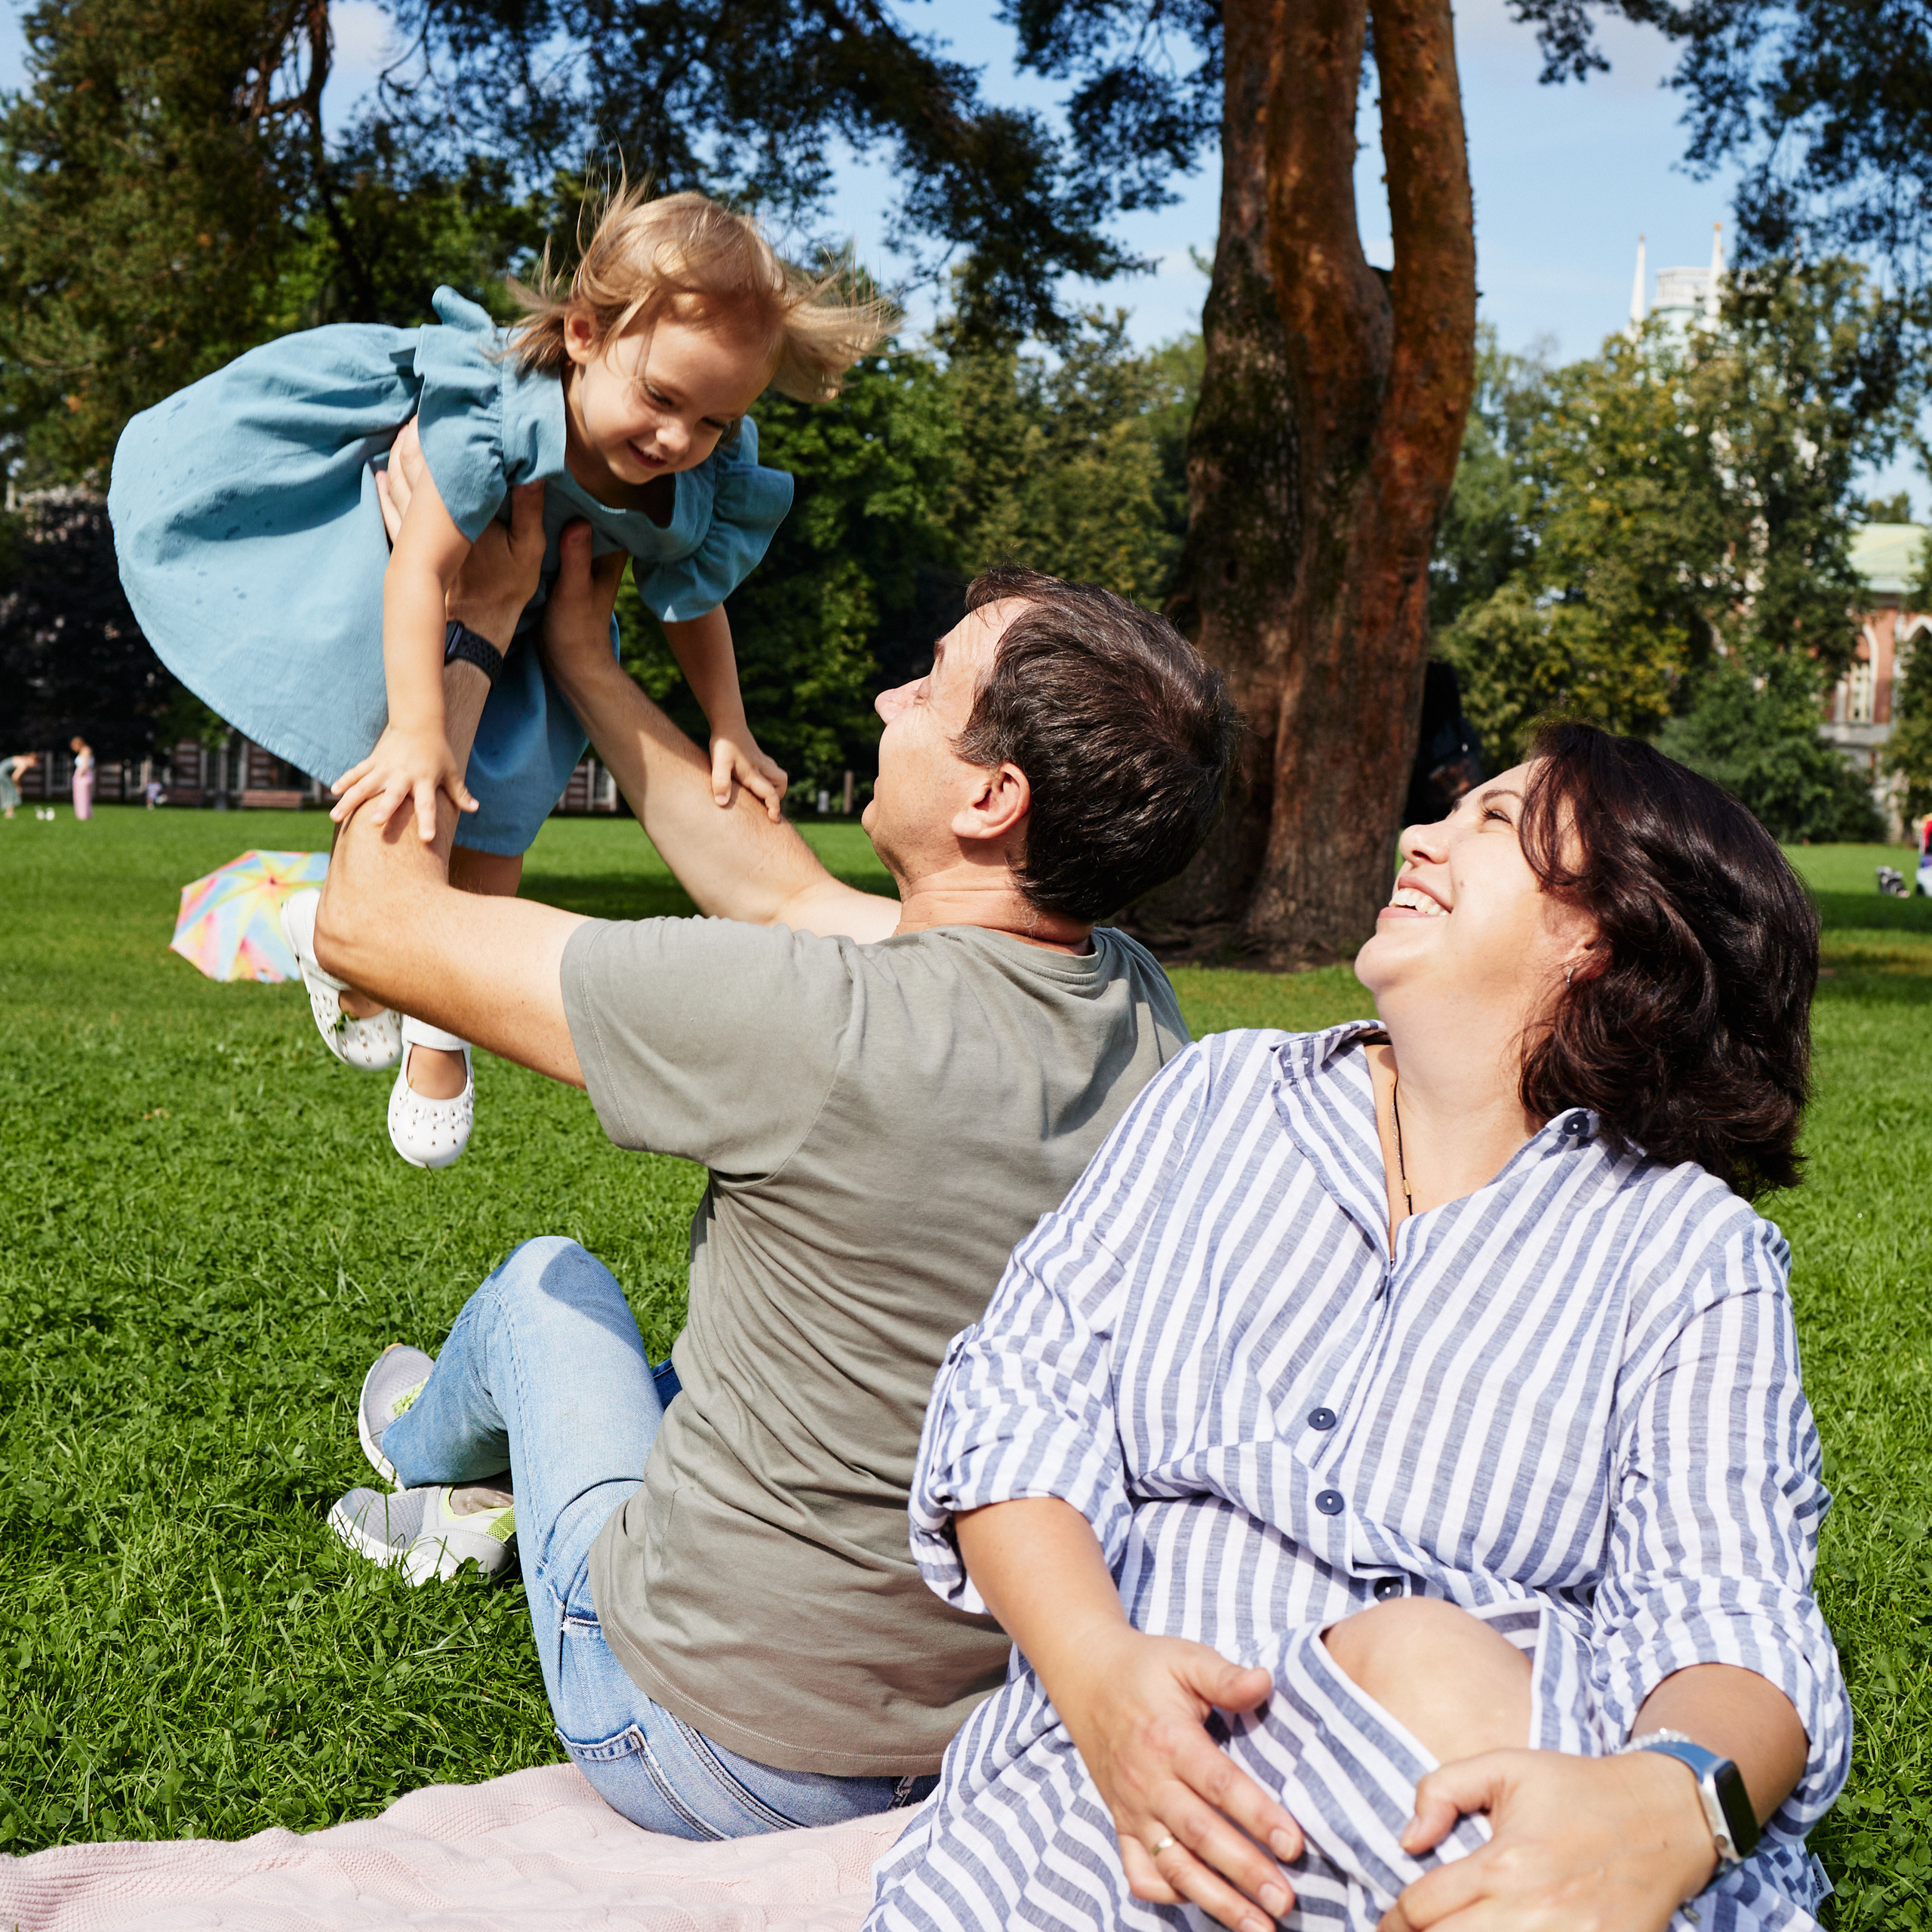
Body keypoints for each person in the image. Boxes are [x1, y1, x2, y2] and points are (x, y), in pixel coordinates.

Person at [305, 460, 1239, 1842]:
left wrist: (470, 627)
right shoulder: (1128, 1003)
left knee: (545, 1289)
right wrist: (589, 661)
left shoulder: (816, 1027)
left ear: (991, 799)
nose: (887, 703)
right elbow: (778, 888)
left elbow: (370, 928)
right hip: (963, 1734)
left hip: (696, 1734)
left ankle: (421, 1465)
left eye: (929, 685)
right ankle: (462, 1470)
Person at [869, 724, 1847, 1932]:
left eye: (1494, 821)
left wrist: (1674, 1805)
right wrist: (1097, 1675)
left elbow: (1728, 1610)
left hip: (1482, 1794)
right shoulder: (1223, 1101)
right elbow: (1018, 1400)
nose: (1418, 836)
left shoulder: (1686, 1254)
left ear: (1607, 934)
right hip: (1135, 1787)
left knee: (1435, 1665)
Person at [109, 183, 888, 1168]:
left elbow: (694, 603)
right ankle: (379, 965)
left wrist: (729, 722)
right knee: (421, 777)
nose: (679, 442)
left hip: (530, 636)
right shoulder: (498, 418)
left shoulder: (696, 482)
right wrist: (416, 726)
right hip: (405, 574)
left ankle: (434, 1031)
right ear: (584, 334)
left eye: (717, 422)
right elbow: (422, 567)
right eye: (661, 401)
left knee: (509, 799)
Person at [0, 751, 35, 820]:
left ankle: (8, 812)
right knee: (12, 792)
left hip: (1, 774)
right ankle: (9, 813)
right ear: (30, 759)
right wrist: (18, 787)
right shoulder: (24, 764)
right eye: (34, 762)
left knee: (4, 792)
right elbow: (15, 777)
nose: (34, 765)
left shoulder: (20, 758)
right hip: (2, 775)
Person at [69, 737, 94, 820]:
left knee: (83, 796)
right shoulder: (84, 751)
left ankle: (84, 815)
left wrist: (79, 774)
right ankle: (83, 814)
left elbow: (85, 765)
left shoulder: (85, 750)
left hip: (83, 775)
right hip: (82, 774)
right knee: (80, 796)